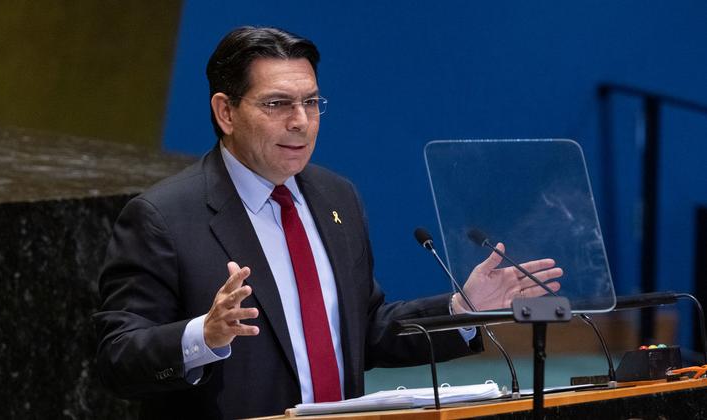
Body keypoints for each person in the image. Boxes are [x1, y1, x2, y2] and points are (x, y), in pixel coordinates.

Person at [93, 26, 562, 419]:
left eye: (312, 103)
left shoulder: (337, 196)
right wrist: (204, 336)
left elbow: (365, 332)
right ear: (226, 112)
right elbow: (117, 358)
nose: (301, 121)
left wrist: (460, 311)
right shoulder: (163, 217)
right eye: (277, 104)